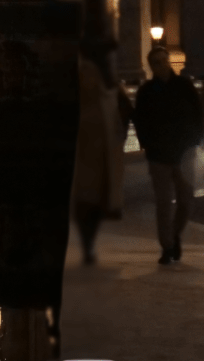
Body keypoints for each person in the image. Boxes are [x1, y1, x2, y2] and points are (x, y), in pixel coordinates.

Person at [133, 45, 204, 265]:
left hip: (184, 153)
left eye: (164, 60)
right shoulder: (146, 92)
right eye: (157, 62)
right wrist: (148, 145)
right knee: (163, 203)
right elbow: (140, 121)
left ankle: (174, 235)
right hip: (159, 156)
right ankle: (167, 246)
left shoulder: (184, 86)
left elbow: (198, 114)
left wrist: (195, 141)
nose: (162, 65)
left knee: (186, 201)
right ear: (151, 66)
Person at [71, 50, 134, 265]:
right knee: (84, 203)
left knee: (94, 202)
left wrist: (119, 139)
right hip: (83, 160)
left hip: (100, 157)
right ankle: (87, 244)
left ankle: (88, 242)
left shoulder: (108, 96)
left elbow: (124, 115)